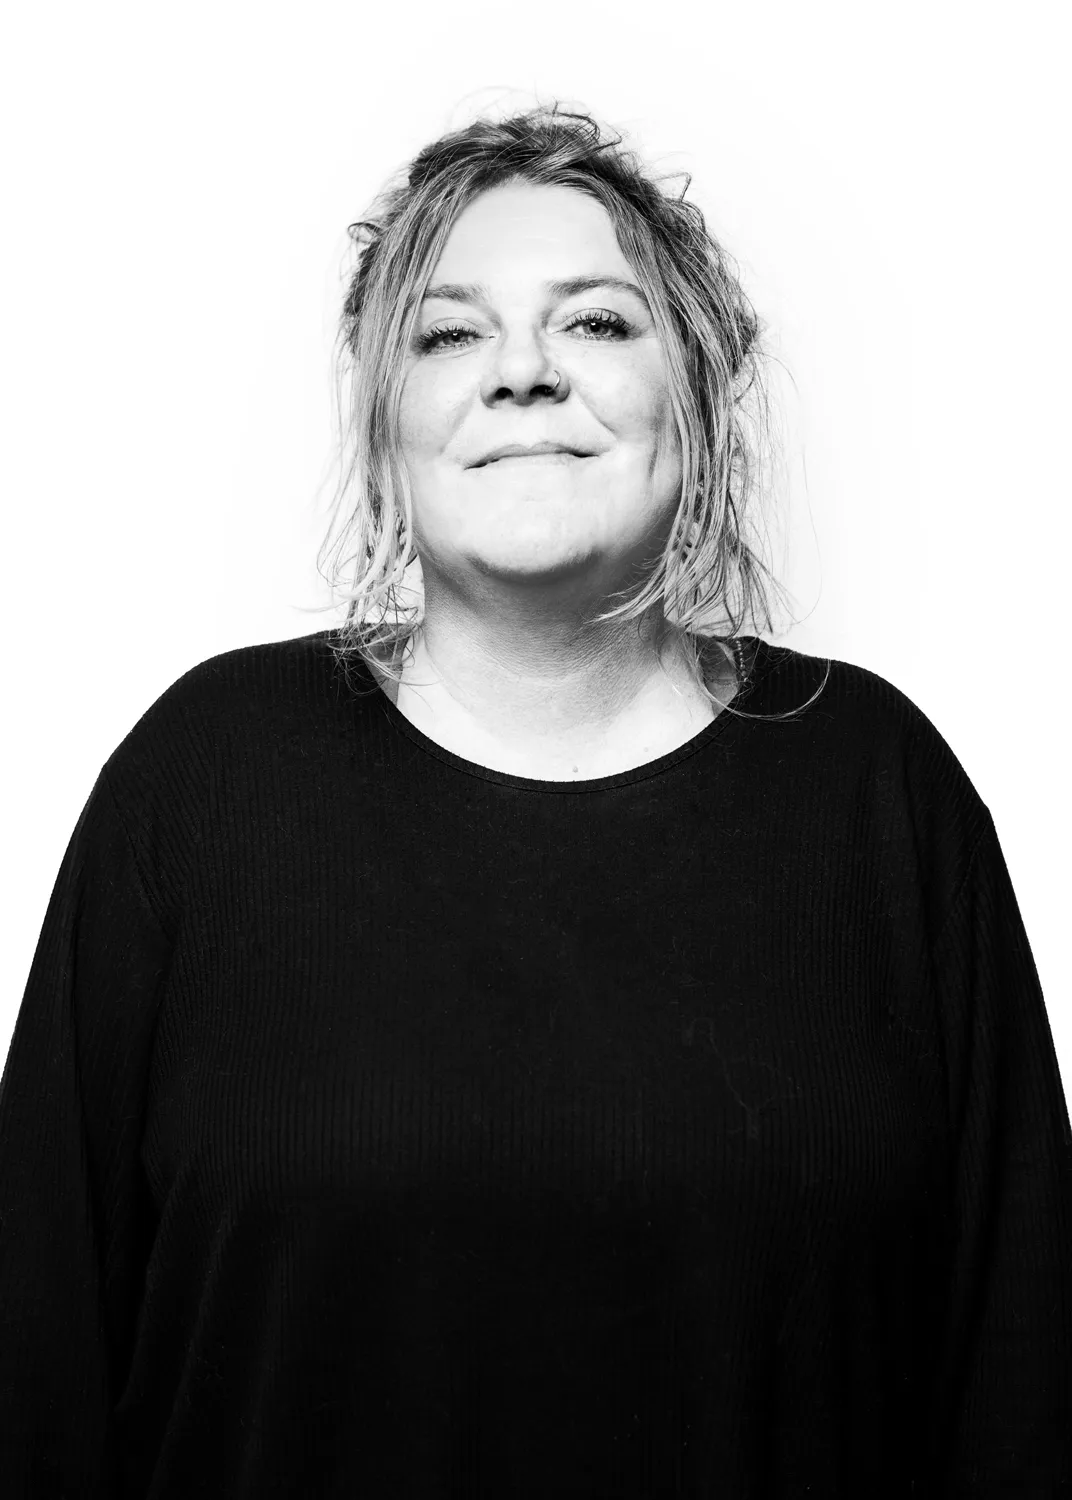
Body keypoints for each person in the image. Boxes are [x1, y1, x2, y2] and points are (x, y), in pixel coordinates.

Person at [2, 101, 1070, 1498]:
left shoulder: (881, 788)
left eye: (597, 323)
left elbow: (1022, 1385)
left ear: (700, 396)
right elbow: (34, 1363)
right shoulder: (201, 782)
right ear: (384, 422)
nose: (521, 373)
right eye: (450, 334)